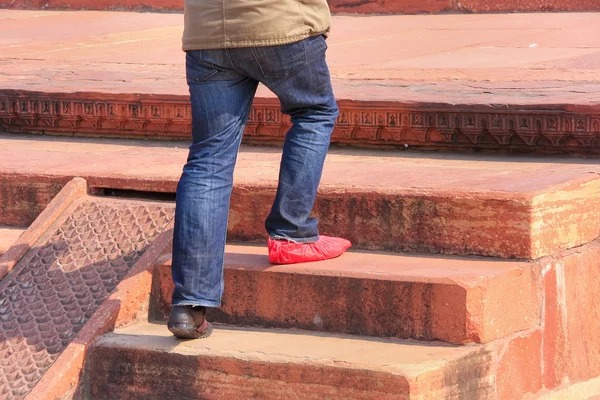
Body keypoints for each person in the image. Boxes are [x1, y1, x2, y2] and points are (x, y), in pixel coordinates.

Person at [167, 0, 352, 340]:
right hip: (282, 25)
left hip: (209, 32)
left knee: (209, 159)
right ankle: (291, 232)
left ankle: (189, 305)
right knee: (314, 113)